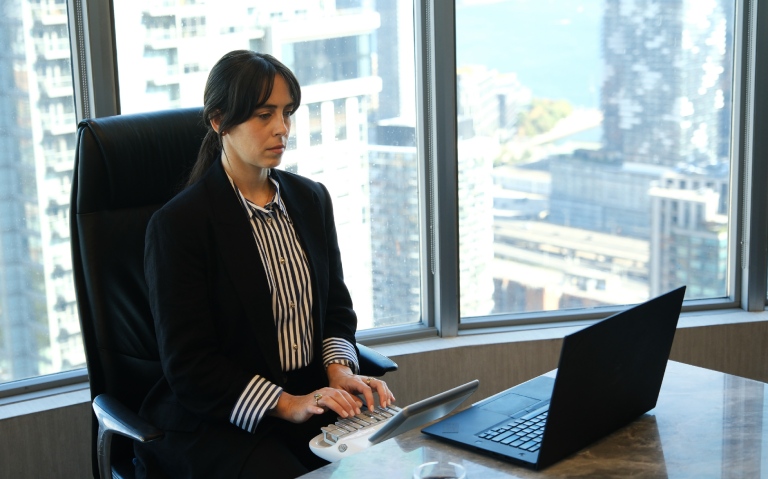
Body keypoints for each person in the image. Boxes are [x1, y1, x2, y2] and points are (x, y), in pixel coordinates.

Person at [134, 50, 395, 478]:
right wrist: (285, 404)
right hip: (218, 416)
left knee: (389, 459)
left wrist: (339, 370)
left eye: (287, 113)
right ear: (219, 121)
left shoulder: (311, 200)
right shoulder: (179, 225)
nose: (282, 128)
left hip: (309, 396)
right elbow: (190, 365)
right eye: (263, 114)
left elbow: (335, 310)